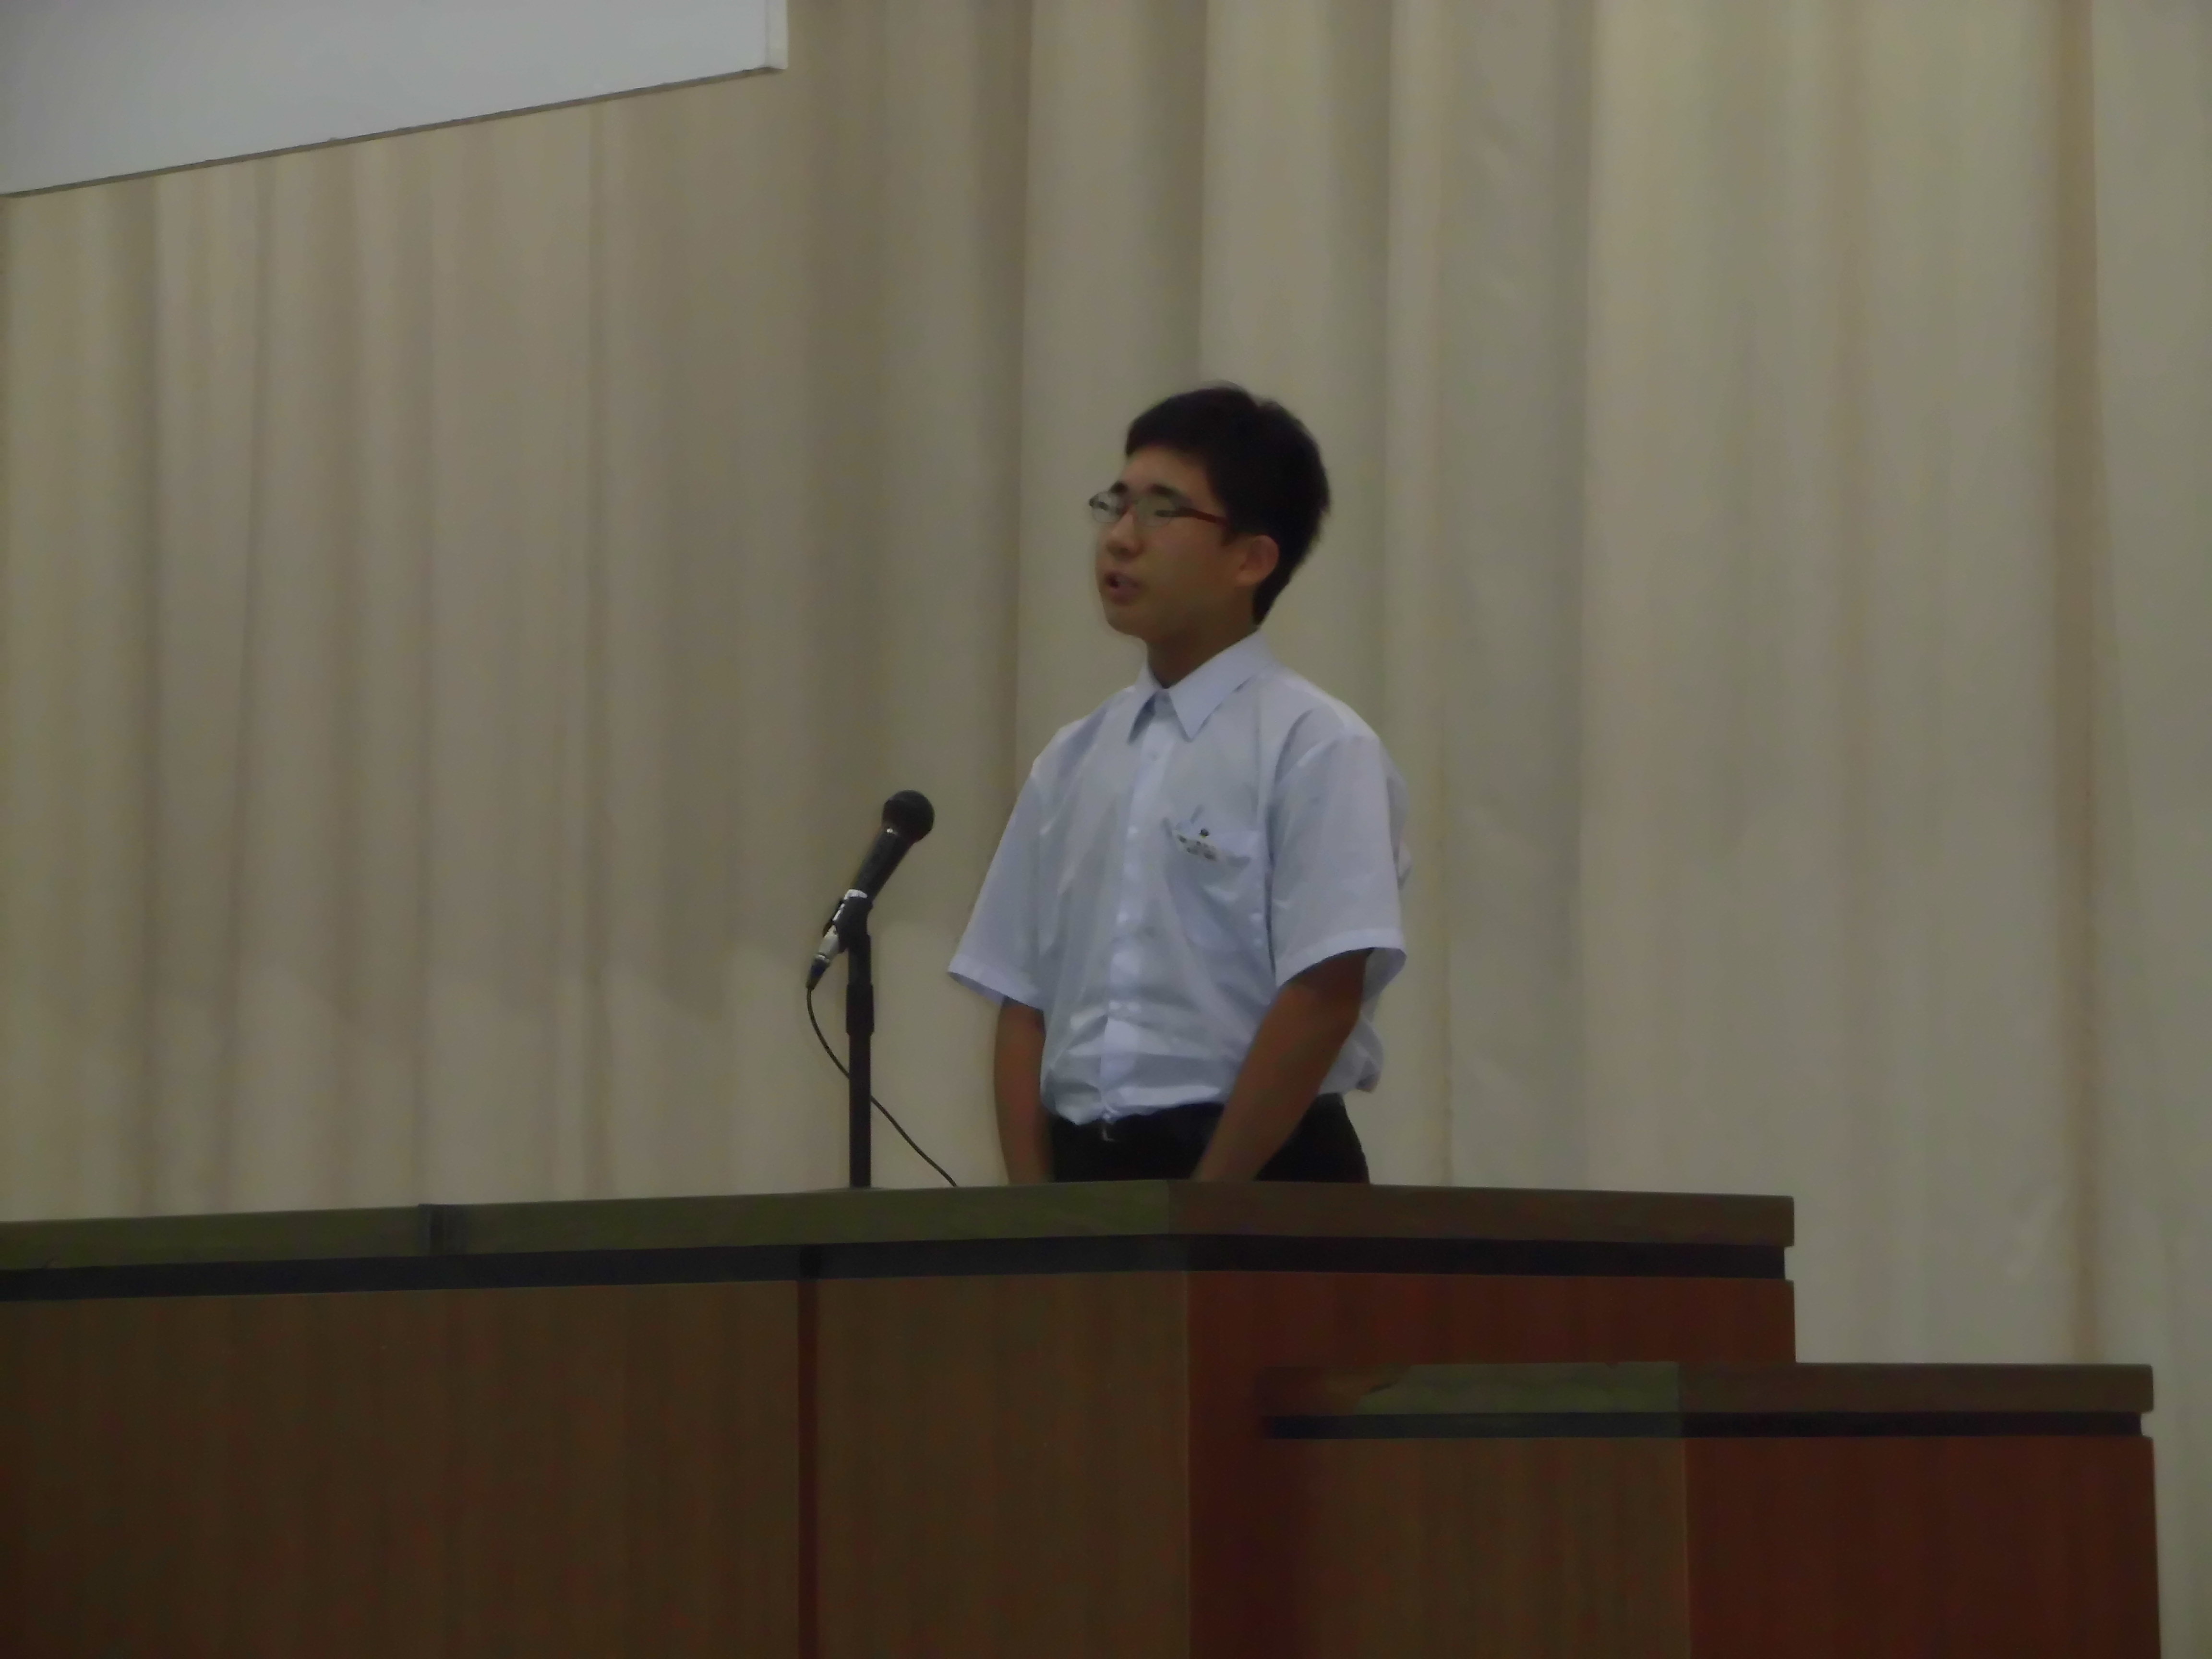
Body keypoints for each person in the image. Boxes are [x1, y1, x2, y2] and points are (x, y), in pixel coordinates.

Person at [950, 385, 1411, 1183]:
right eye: (1116, 505)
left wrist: (1208, 1205)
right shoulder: (1071, 758)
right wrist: (1031, 1217)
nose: (1120, 539)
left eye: (1162, 511)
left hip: (1262, 1175)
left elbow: (1323, 994)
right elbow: (1023, 1003)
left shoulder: (1315, 745)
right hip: (1086, 1174)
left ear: (1251, 559)